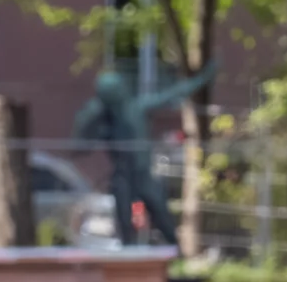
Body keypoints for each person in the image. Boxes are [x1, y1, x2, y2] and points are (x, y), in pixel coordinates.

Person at [71, 62, 217, 246]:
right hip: (123, 175)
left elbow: (172, 94)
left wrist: (202, 79)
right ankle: (129, 251)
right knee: (124, 215)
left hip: (142, 174)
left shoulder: (137, 109)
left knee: (160, 212)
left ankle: (174, 248)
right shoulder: (104, 119)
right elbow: (80, 143)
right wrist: (90, 113)